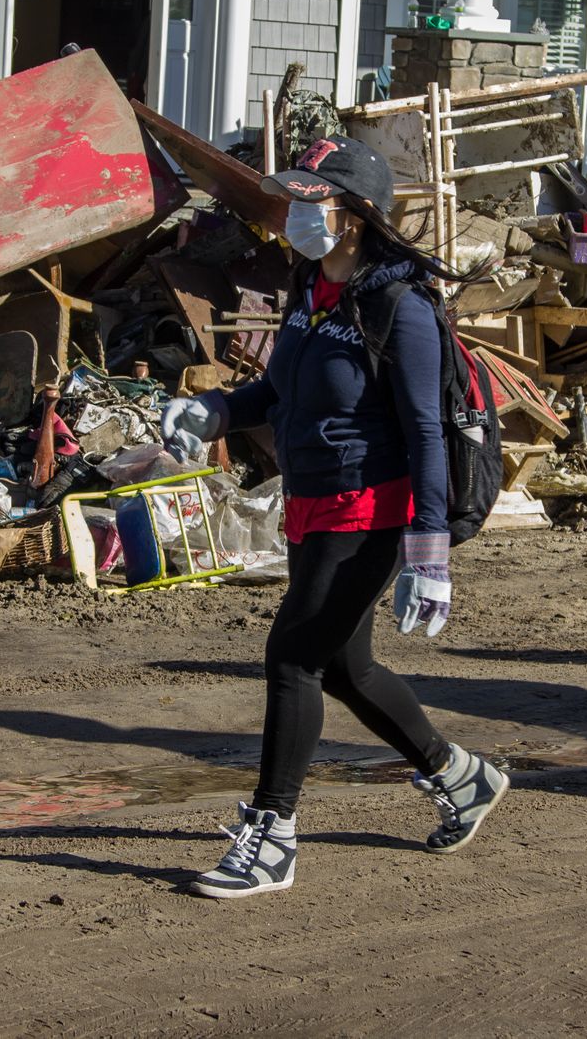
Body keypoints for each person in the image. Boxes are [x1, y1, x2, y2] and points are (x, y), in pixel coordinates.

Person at [160, 135, 506, 899]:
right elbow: (277, 391)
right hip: (313, 503)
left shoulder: (400, 304)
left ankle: (273, 833)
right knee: (347, 667)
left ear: (354, 215)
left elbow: (424, 432)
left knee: (293, 659)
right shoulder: (311, 288)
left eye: (309, 200)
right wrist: (210, 411)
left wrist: (430, 556)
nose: (293, 213)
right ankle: (461, 777)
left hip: (372, 509)